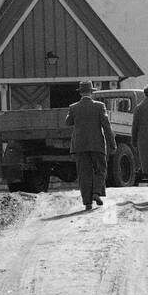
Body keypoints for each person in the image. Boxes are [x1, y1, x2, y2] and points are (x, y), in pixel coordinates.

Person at [65, 80, 116, 211]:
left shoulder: (73, 107)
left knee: (84, 173)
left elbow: (68, 122)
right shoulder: (100, 106)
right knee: (101, 169)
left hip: (80, 145)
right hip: (97, 144)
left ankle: (87, 202)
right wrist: (112, 143)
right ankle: (96, 192)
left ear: (80, 93)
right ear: (91, 92)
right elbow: (106, 125)